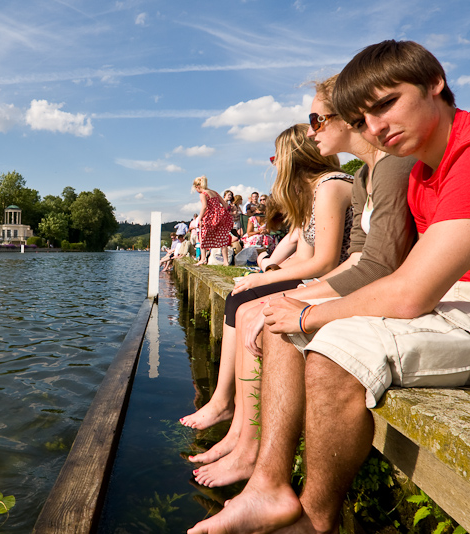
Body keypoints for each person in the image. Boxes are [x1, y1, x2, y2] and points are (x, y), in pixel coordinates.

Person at [187, 39, 468, 534]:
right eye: (362, 119)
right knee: (284, 328)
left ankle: (314, 521)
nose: (376, 128)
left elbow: (403, 285)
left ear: (434, 85)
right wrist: (295, 312)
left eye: (385, 105)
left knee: (330, 349)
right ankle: (269, 485)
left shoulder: (453, 158)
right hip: (447, 299)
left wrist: (306, 311)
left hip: (451, 303)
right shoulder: (422, 168)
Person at [180, 123, 355, 487]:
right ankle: (235, 425)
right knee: (241, 298)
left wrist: (263, 279)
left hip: (336, 282)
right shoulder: (311, 194)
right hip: (319, 278)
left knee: (248, 305)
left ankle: (241, 431)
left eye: (277, 158)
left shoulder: (331, 185)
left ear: (292, 158)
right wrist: (269, 271)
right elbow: (302, 256)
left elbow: (323, 263)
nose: (274, 166)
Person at [191, 175, 232, 266]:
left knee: (203, 237)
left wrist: (199, 219)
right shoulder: (214, 192)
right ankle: (226, 261)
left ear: (197, 187)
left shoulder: (203, 194)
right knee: (222, 239)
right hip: (220, 217)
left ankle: (203, 259)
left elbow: (204, 207)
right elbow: (225, 205)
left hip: (209, 217)